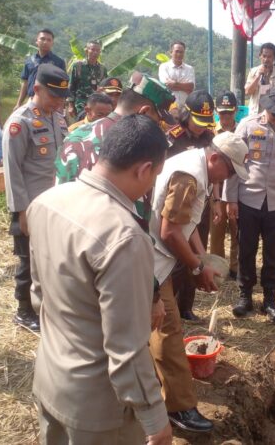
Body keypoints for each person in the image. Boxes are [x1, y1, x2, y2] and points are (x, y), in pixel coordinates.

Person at [29, 115, 173, 445]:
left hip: (50, 378)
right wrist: (154, 418)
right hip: (98, 408)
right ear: (144, 169)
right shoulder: (123, 237)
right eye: (154, 176)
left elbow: (39, 296)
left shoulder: (47, 201)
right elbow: (127, 349)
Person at [150, 132, 248, 434]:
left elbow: (186, 224)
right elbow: (169, 231)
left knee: (155, 328)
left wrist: (202, 256)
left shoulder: (197, 167)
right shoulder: (189, 177)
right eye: (229, 171)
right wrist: (196, 267)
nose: (228, 178)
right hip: (153, 262)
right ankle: (178, 407)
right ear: (215, 157)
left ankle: (153, 387)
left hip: (158, 258)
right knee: (168, 329)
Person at [225, 87, 275, 322]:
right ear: (266, 108)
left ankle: (270, 300)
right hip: (248, 199)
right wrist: (231, 198)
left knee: (273, 253)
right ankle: (245, 296)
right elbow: (234, 162)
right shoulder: (247, 126)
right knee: (246, 250)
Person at [3, 64, 70, 332]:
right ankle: (23, 311)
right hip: (30, 206)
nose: (58, 102)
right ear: (37, 88)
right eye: (54, 96)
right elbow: (12, 171)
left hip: (55, 203)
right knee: (28, 260)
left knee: (50, 258)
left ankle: (44, 306)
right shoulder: (20, 122)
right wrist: (21, 212)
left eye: (62, 97)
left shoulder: (58, 118)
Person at [56, 77, 176, 187]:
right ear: (144, 112)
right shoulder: (136, 146)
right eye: (158, 120)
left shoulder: (75, 134)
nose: (157, 126)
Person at [165, 90, 220, 321]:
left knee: (197, 254)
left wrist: (216, 201)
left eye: (206, 121)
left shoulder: (209, 137)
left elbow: (213, 176)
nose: (201, 126)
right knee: (177, 255)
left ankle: (186, 306)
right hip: (176, 206)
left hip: (201, 205)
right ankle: (169, 306)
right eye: (198, 121)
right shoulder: (173, 137)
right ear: (186, 114)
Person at [210, 91, 240, 280]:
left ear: (235, 111)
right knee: (216, 230)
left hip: (236, 190)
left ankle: (236, 268)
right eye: (222, 112)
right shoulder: (211, 132)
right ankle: (218, 268)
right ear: (216, 111)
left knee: (237, 230)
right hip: (217, 189)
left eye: (229, 112)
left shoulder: (241, 132)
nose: (226, 116)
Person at [15, 28, 66, 108]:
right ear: (37, 41)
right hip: (31, 101)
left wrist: (61, 106)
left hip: (50, 103)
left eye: (49, 40)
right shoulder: (29, 61)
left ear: (52, 43)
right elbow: (25, 83)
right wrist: (18, 103)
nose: (45, 42)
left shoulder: (59, 62)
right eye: (42, 39)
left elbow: (62, 86)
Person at [68, 39, 108, 117]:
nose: (95, 52)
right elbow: (71, 86)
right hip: (80, 105)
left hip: (97, 106)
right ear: (86, 51)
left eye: (98, 50)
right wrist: (70, 105)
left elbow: (105, 88)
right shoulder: (78, 66)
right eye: (92, 50)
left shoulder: (102, 69)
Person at [245, 42, 275, 115]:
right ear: (260, 56)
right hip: (255, 113)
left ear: (274, 58)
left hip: (273, 114)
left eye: (269, 57)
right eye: (264, 56)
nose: (266, 59)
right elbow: (247, 92)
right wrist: (258, 76)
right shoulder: (253, 71)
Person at [158, 41, 195, 109]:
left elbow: (191, 87)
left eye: (181, 52)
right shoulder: (164, 67)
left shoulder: (189, 69)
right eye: (177, 51)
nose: (179, 54)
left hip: (185, 108)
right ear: (171, 52)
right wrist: (185, 88)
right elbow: (166, 85)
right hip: (169, 108)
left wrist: (174, 84)